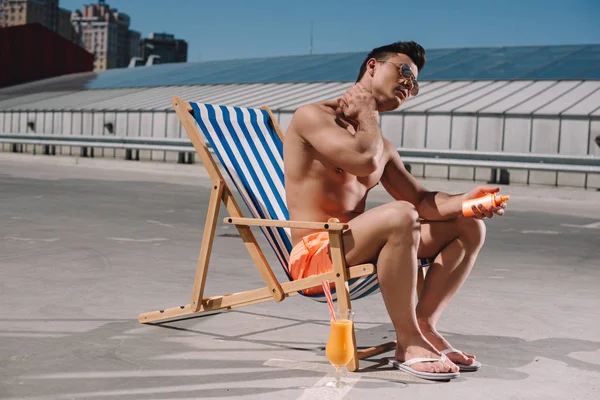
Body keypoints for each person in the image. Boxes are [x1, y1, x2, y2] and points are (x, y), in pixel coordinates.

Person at [283, 41, 506, 379]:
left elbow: (422, 202)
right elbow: (363, 160)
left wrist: (469, 200)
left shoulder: (379, 144)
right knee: (401, 214)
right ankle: (407, 341)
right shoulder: (312, 116)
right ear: (372, 66)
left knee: (469, 225)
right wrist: (368, 111)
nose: (409, 85)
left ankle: (424, 326)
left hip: (356, 245)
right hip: (314, 257)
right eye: (404, 72)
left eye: (415, 83)